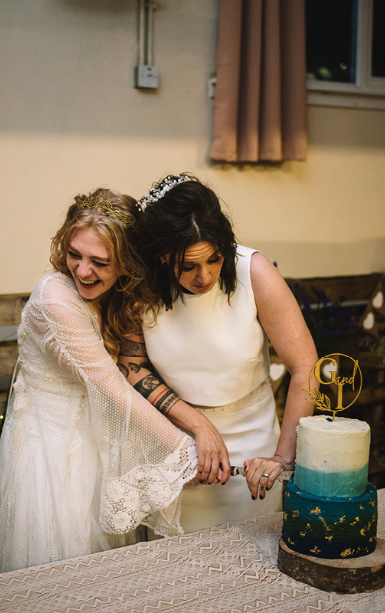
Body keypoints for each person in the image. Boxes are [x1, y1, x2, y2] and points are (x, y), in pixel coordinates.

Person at [0, 188, 228, 575]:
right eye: (74, 255)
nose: (82, 271)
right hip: (55, 455)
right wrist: (184, 451)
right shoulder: (56, 298)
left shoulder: (118, 296)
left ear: (127, 264)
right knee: (66, 572)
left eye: (100, 262)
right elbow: (111, 386)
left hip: (103, 445)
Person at [119, 173, 318, 533]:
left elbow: (306, 368)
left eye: (214, 259)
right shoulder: (141, 286)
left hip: (255, 446)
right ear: (163, 257)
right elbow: (132, 367)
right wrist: (195, 427)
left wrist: (281, 458)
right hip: (175, 446)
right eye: (188, 265)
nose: (204, 276)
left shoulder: (253, 270)